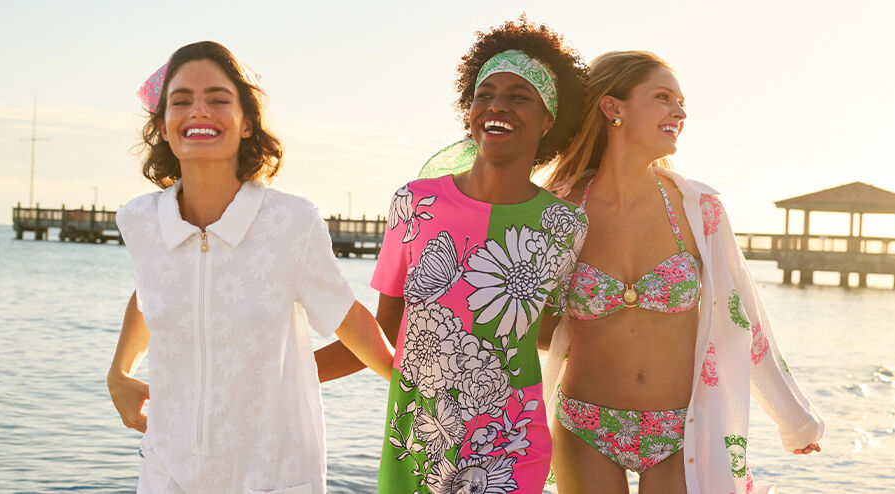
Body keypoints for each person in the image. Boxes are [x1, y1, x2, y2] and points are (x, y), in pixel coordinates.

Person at [105, 40, 401, 494]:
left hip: (271, 473)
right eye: (181, 100)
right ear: (162, 125)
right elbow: (150, 291)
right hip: (167, 471)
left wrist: (418, 394)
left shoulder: (291, 223)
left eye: (218, 99)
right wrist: (119, 372)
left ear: (247, 123)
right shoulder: (140, 221)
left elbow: (350, 319)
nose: (199, 110)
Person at [313, 17, 591, 494]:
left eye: (519, 96)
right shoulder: (414, 203)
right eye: (486, 94)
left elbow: (555, 333)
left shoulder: (565, 225)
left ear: (549, 118)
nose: (497, 105)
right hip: (418, 434)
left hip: (510, 439)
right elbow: (385, 329)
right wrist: (276, 379)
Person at [544, 50, 822, 494]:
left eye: (681, 101)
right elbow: (535, 329)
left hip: (681, 429)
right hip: (584, 425)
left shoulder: (698, 208)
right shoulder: (559, 208)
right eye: (662, 97)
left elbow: (743, 316)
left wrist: (794, 418)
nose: (680, 112)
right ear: (612, 107)